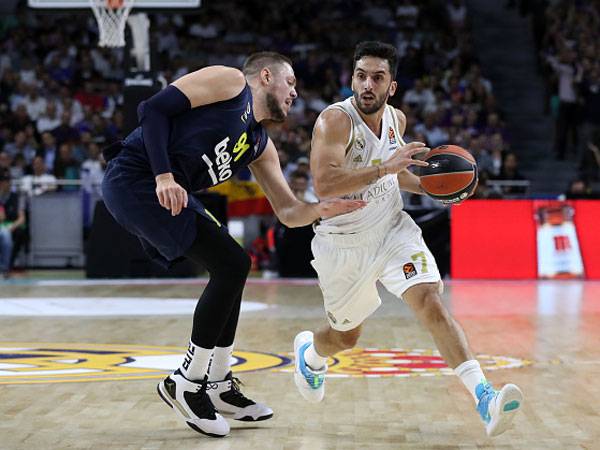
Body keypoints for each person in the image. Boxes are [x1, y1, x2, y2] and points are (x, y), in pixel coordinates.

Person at [101, 52, 364, 438]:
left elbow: (289, 211)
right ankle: (188, 382)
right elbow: (153, 109)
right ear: (266, 76)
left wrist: (321, 209)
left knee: (235, 266)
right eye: (290, 83)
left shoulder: (259, 142)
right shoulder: (230, 83)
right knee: (231, 263)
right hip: (136, 177)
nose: (295, 93)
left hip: (172, 191)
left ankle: (219, 382)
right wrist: (163, 175)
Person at [292, 41, 523, 438]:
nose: (367, 84)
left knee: (430, 301)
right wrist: (385, 167)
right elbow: (325, 183)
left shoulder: (395, 120)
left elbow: (397, 174)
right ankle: (310, 356)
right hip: (343, 243)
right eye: (361, 75)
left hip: (391, 227)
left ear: (391, 87)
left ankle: (484, 397)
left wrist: (434, 188)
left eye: (377, 77)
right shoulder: (334, 122)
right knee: (345, 338)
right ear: (352, 79)